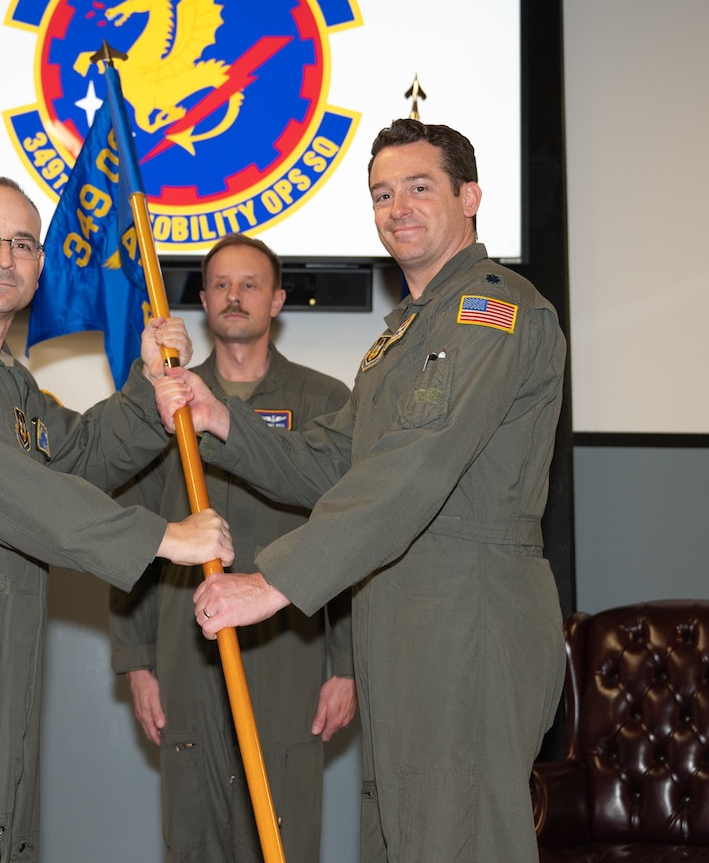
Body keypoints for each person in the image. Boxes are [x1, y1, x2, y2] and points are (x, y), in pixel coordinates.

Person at [160, 121, 567, 862]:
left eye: (419, 187)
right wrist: (224, 420)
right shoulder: (400, 339)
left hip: (465, 613)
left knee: (456, 837)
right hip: (401, 613)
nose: (397, 207)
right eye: (383, 193)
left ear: (469, 197)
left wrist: (275, 581)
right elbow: (333, 460)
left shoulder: (494, 312)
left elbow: (414, 466)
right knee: (401, 837)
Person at [0, 176, 234, 863]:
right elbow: (5, 484)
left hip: (1, 647)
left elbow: (76, 454)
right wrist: (161, 538)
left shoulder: (6, 379)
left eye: (22, 243)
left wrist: (150, 391)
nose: (3, 257)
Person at [109, 234, 355, 863]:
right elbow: (131, 531)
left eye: (250, 284)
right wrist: (137, 661)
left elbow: (353, 538)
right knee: (194, 828)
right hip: (184, 643)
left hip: (291, 647)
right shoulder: (167, 403)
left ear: (277, 300)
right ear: (202, 299)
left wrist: (347, 666)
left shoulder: (327, 403)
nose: (234, 296)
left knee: (284, 827)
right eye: (220, 284)